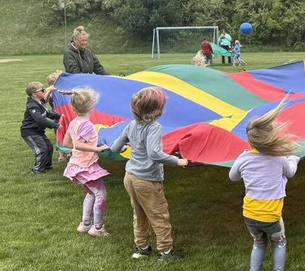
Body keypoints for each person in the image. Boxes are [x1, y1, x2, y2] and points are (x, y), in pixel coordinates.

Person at [109, 87, 188, 261]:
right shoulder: (154, 127)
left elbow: (115, 147)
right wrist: (177, 161)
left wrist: (123, 147)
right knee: (159, 214)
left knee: (139, 213)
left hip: (130, 177)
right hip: (147, 179)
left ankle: (142, 248)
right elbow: (154, 154)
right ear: (158, 110)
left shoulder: (131, 125)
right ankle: (166, 252)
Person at [229, 102, 300, 271]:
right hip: (271, 215)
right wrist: (294, 158)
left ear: (250, 140)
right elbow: (290, 172)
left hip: (250, 215)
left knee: (258, 243)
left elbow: (232, 177)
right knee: (279, 243)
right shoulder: (278, 157)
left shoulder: (244, 158)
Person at [62, 88, 112, 237]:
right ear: (92, 106)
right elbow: (78, 144)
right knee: (101, 194)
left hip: (76, 164)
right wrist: (96, 148)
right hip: (86, 166)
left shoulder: (73, 122)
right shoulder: (87, 125)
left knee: (91, 193)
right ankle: (97, 228)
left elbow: (66, 142)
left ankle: (85, 224)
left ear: (73, 107)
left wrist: (83, 149)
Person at [21, 82, 61, 174]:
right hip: (30, 132)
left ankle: (47, 166)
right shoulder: (32, 106)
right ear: (34, 94)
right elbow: (40, 120)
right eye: (42, 90)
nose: (44, 91)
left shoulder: (39, 102)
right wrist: (55, 125)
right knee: (42, 149)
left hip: (38, 131)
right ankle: (37, 170)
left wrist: (59, 116)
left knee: (49, 147)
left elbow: (47, 114)